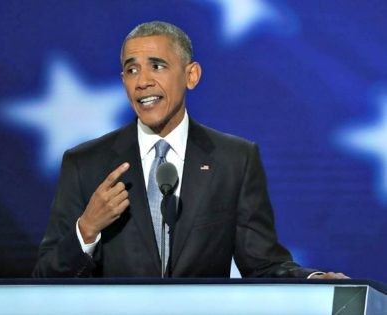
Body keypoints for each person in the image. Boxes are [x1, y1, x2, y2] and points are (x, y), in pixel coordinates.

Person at [33, 21, 347, 279]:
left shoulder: (234, 160)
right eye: (131, 70)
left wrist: (311, 281)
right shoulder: (85, 164)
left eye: (156, 66)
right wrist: (86, 229)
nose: (142, 81)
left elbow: (262, 263)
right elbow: (45, 277)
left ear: (191, 75)